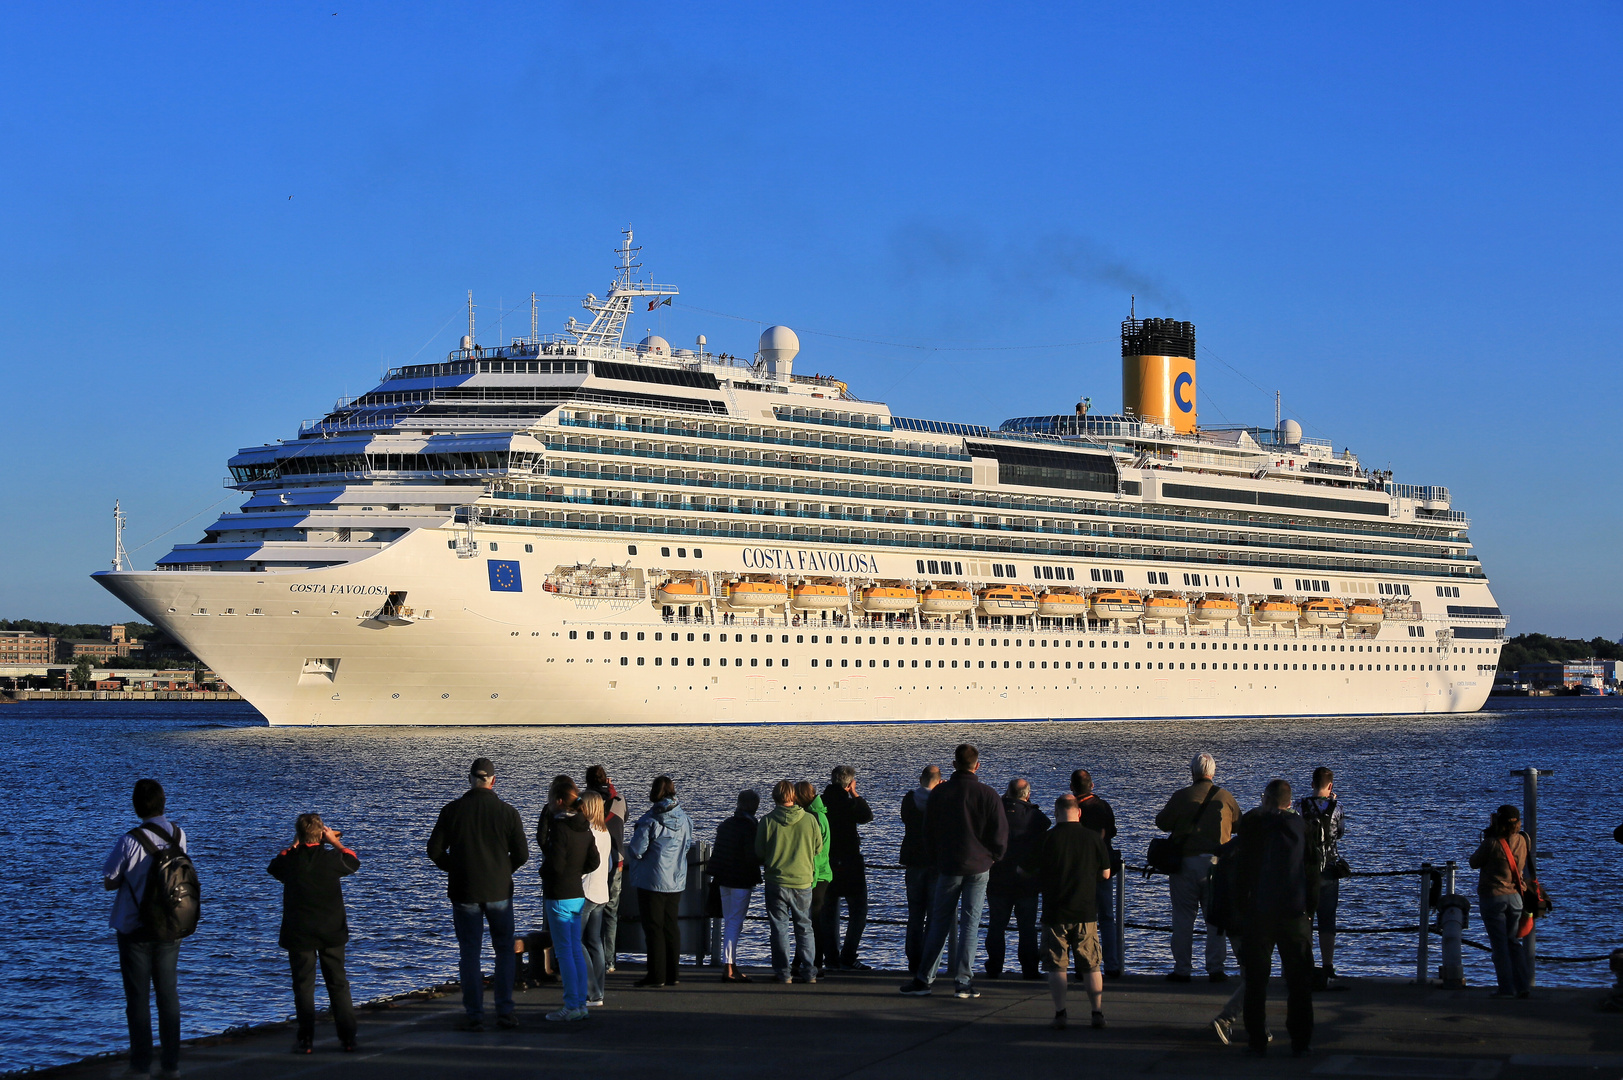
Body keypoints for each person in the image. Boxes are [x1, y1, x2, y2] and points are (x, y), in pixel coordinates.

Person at [427, 757, 530, 1031]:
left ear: (469, 779)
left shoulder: (452, 811)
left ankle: (474, 1014)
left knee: (470, 952)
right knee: (504, 950)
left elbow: (434, 851)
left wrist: (456, 869)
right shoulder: (508, 812)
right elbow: (523, 854)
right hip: (499, 890)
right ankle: (505, 1011)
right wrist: (503, 870)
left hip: (464, 891)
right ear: (493, 781)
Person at [899, 743, 1009, 1000]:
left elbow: (928, 832)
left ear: (954, 764)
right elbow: (1001, 834)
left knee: (938, 922)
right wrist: (993, 857)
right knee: (970, 924)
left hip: (947, 866)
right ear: (977, 765)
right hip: (979, 866)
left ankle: (924, 979)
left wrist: (937, 857)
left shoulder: (941, 794)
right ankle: (963, 981)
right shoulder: (989, 794)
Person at [102, 778, 188, 1078]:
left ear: (136, 805)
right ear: (163, 802)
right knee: (168, 995)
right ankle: (171, 1065)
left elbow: (109, 880)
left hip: (134, 926)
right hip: (170, 926)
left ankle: (140, 1066)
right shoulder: (179, 834)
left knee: (137, 999)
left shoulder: (130, 840)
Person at [1236, 779, 1315, 1057]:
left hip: (1260, 910)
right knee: (1299, 981)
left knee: (1257, 980)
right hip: (1294, 911)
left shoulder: (1254, 824)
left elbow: (1241, 861)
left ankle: (1256, 1038)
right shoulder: (1301, 827)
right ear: (1290, 802)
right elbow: (1312, 868)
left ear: (1267, 800)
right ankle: (1301, 1040)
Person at [268, 813, 360, 1053]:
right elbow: (353, 860)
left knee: (303, 987)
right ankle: (348, 1038)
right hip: (331, 931)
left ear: (299, 835)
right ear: (321, 834)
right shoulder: (331, 859)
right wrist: (334, 841)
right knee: (338, 984)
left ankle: (306, 1039)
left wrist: (294, 845)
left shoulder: (291, 861)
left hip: (300, 933)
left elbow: (274, 867)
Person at [1021, 795, 1112, 1030]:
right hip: (1085, 910)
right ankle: (1097, 1012)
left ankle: (1061, 1013)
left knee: (1057, 965)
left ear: (1056, 812)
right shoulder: (1093, 838)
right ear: (1078, 812)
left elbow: (1025, 869)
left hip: (1055, 910)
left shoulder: (1047, 839)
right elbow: (1105, 874)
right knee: (1091, 964)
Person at [1154, 752, 1242, 982]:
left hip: (1185, 864)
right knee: (1215, 920)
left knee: (1183, 919)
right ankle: (1215, 969)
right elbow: (1239, 825)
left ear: (1192, 772)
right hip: (1216, 864)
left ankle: (1182, 969)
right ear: (1212, 772)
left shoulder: (1181, 796)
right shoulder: (1226, 797)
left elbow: (1162, 822)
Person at [538, 774, 600, 1021]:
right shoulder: (584, 827)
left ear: (560, 801)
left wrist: (543, 871)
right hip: (577, 893)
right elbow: (594, 861)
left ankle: (572, 1006)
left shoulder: (561, 829)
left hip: (559, 895)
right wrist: (577, 871)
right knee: (574, 949)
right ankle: (580, 1003)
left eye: (551, 800)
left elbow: (554, 864)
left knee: (564, 953)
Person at [626, 775, 694, 987]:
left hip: (651, 881)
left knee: (653, 928)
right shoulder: (685, 819)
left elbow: (636, 851)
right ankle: (673, 974)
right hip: (675, 879)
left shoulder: (650, 821)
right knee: (671, 926)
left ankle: (656, 975)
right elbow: (686, 846)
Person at [755, 779, 823, 983]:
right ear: (793, 796)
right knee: (804, 926)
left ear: (775, 797)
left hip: (776, 880)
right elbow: (818, 847)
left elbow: (759, 852)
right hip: (802, 881)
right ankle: (810, 971)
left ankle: (783, 972)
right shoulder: (810, 820)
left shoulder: (767, 821)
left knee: (779, 928)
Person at [985, 778, 1049, 980]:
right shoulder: (1035, 817)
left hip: (997, 878)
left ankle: (994, 966)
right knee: (1027, 927)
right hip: (1026, 880)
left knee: (996, 925)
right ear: (1027, 795)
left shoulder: (995, 812)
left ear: (1007, 792)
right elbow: (1045, 829)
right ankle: (1030, 968)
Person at [1469, 804, 1532, 999]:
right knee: (1513, 942)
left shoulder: (1492, 843)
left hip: (1494, 896)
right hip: (1516, 897)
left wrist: (1488, 837)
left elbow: (1473, 862)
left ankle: (1505, 988)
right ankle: (1523, 986)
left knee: (1499, 946)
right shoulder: (1524, 839)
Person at [821, 765, 875, 970]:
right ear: (850, 783)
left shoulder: (822, 802)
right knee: (858, 911)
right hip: (850, 862)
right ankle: (849, 955)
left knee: (828, 912)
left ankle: (831, 957)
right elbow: (867, 816)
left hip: (827, 862)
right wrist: (855, 794)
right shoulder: (849, 803)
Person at [708, 789, 763, 982]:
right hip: (740, 879)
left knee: (730, 921)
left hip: (723, 878)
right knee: (735, 922)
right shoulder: (750, 827)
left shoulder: (726, 825)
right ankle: (729, 967)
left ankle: (729, 964)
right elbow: (752, 856)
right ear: (754, 806)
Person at [1071, 769, 1121, 978]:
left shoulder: (1073, 809)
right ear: (1092, 785)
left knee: (1081, 918)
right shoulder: (1103, 807)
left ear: (1072, 787)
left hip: (1079, 871)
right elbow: (1112, 832)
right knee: (1107, 918)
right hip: (1103, 868)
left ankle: (1084, 964)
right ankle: (1112, 965)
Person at [1298, 766, 1346, 985]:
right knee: (1328, 920)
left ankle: (1304, 963)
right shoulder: (1336, 808)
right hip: (1328, 869)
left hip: (1305, 870)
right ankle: (1328, 966)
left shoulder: (1300, 805)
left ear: (1312, 784)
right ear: (1330, 786)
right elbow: (1341, 833)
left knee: (1305, 918)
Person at [899, 765, 943, 972]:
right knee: (934, 916)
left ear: (920, 779)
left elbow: (905, 819)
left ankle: (913, 959)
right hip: (935, 862)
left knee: (915, 914)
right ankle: (929, 961)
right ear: (939, 781)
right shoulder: (942, 801)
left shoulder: (909, 800)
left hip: (914, 861)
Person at [584, 766, 627, 972]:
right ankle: (609, 961)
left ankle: (587, 959)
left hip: (592, 863)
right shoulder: (619, 800)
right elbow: (624, 818)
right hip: (616, 861)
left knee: (588, 915)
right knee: (611, 913)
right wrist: (613, 790)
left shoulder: (587, 802)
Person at [795, 780, 835, 973]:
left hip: (815, 876)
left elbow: (814, 851)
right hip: (820, 874)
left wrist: (811, 876)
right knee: (811, 921)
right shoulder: (819, 814)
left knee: (811, 921)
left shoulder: (812, 817)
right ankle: (809, 961)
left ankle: (814, 962)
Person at [578, 790, 614, 1007]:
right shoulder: (605, 832)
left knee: (576, 940)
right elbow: (608, 865)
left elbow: (583, 865)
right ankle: (598, 992)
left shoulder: (588, 832)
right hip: (601, 892)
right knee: (595, 943)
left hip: (586, 892)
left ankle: (592, 991)